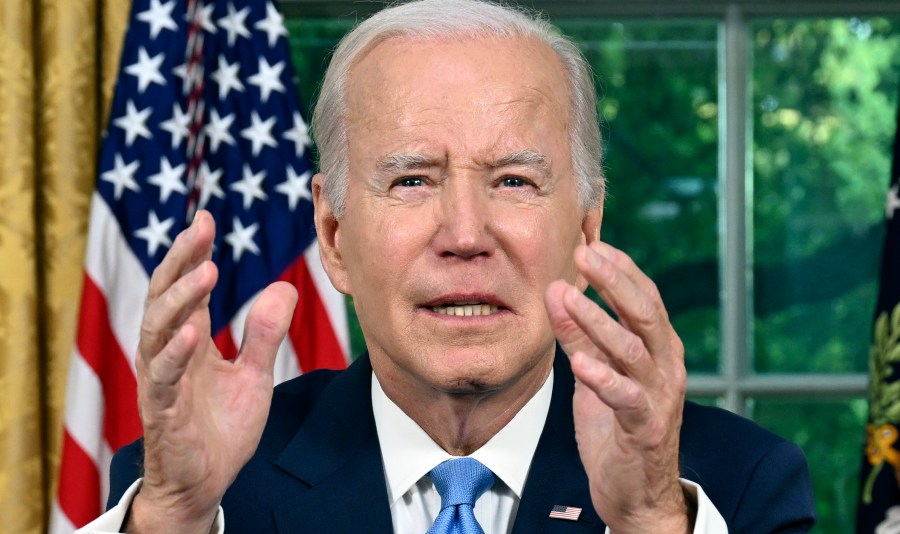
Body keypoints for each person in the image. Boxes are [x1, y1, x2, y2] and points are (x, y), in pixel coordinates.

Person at [80, 0, 816, 532]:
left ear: (586, 231)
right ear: (333, 236)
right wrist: (173, 519)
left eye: (514, 181)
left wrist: (652, 523)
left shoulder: (734, 487)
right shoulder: (188, 485)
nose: (466, 235)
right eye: (411, 180)